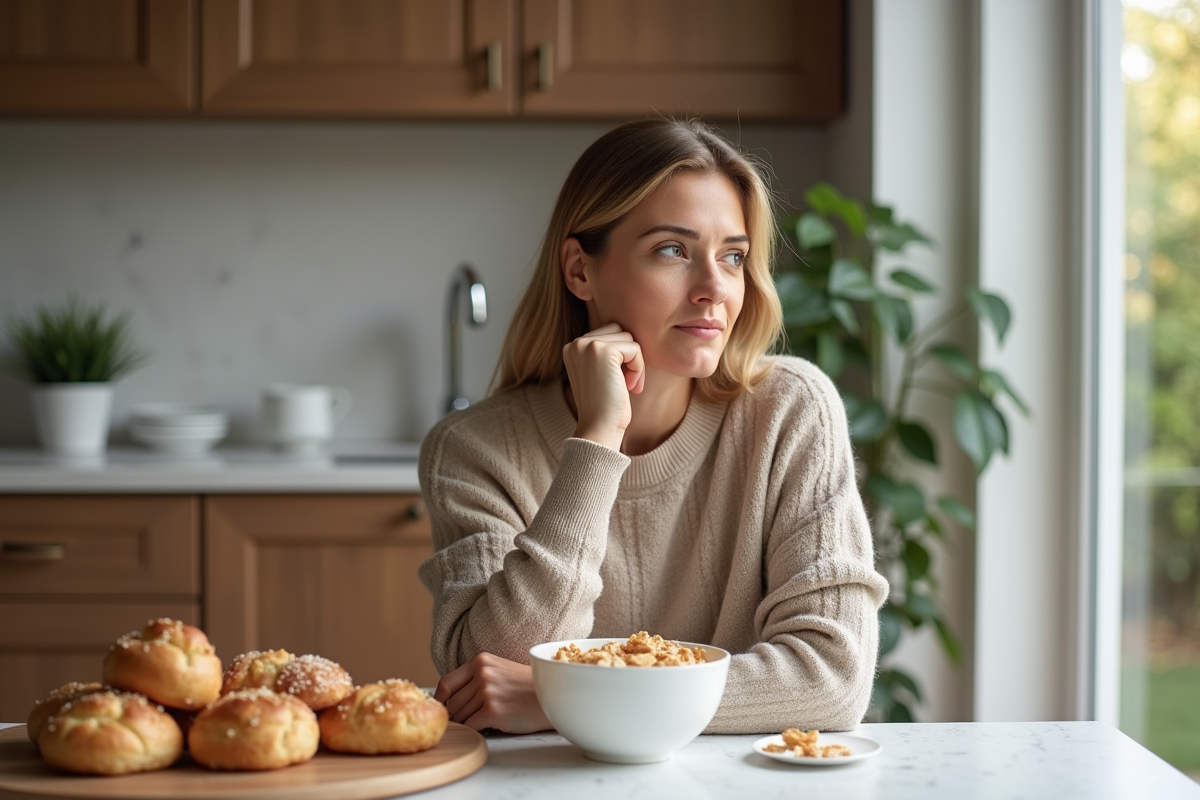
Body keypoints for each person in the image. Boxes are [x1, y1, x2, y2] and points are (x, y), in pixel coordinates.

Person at [418, 118, 889, 735]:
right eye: (674, 251)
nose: (714, 289)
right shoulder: (474, 450)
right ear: (580, 271)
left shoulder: (789, 410)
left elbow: (832, 678)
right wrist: (597, 441)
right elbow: (490, 673)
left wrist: (577, 699)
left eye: (734, 256)